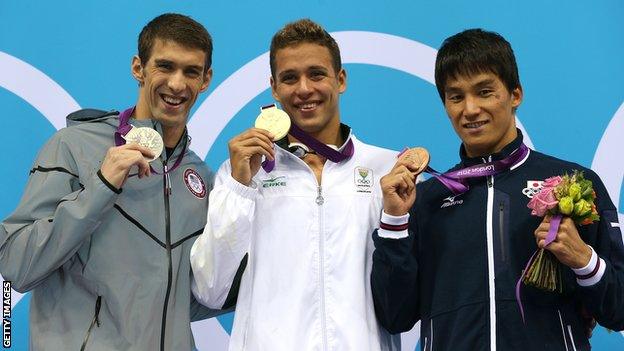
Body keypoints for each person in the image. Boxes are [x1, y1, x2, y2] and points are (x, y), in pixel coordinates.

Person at [371, 28, 624, 350]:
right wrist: (393, 222)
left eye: (485, 91)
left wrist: (584, 261)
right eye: (456, 96)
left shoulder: (574, 182)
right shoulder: (427, 200)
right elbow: (394, 316)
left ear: (515, 94)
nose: (470, 109)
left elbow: (618, 310)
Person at [0, 13, 220, 351]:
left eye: (191, 71)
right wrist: (101, 186)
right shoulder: (73, 147)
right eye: (165, 66)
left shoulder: (200, 177)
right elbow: (17, 263)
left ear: (205, 80)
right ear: (138, 68)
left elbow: (188, 298)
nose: (177, 84)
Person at [190, 18, 400, 350]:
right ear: (274, 88)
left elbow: (404, 298)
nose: (304, 89)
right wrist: (239, 188)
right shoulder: (243, 172)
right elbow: (210, 289)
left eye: (316, 74)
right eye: (290, 78)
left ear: (340, 79)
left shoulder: (384, 170)